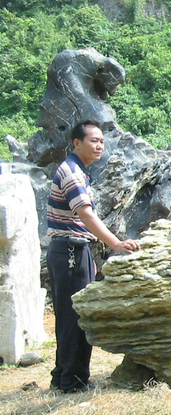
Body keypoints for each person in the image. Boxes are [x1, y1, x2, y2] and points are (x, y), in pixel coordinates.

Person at [47, 119, 140, 393]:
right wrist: (116, 244)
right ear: (77, 143)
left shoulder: (79, 170)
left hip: (72, 249)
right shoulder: (72, 172)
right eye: (93, 140)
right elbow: (86, 214)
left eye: (101, 141)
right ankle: (72, 383)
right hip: (70, 251)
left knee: (69, 314)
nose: (99, 145)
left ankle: (62, 375)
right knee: (76, 316)